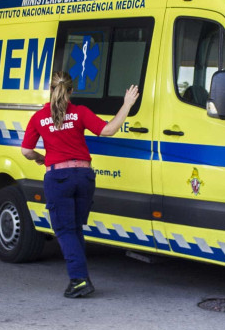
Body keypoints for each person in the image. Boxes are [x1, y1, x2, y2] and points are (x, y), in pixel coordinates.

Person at [20, 71, 138, 298]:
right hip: (84, 177)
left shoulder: (39, 117)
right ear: (71, 91)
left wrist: (39, 158)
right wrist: (127, 104)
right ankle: (81, 276)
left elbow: (26, 151)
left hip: (59, 178)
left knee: (65, 230)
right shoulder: (80, 112)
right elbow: (109, 130)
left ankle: (79, 280)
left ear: (51, 90)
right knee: (74, 229)